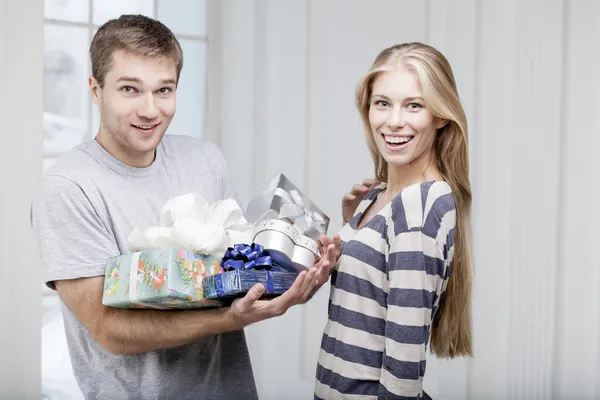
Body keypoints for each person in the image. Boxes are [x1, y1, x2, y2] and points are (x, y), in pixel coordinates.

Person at [32, 15, 338, 400]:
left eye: (164, 90)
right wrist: (228, 319)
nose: (150, 110)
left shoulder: (204, 160)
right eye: (129, 89)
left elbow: (234, 275)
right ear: (95, 89)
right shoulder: (67, 189)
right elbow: (109, 330)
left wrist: (293, 278)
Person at [314, 42, 474, 399]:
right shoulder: (379, 195)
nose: (394, 121)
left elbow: (403, 369)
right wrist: (351, 223)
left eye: (414, 105)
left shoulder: (418, 207)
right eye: (382, 103)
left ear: (441, 115)